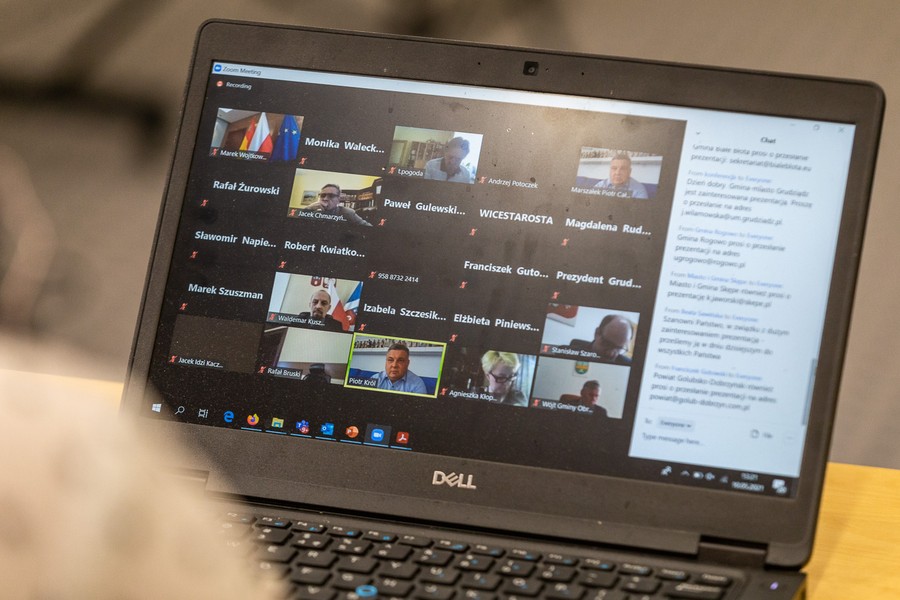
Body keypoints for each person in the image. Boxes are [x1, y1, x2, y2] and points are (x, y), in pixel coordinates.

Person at [568, 314, 634, 365]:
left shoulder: (628, 364)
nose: (611, 354)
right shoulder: (570, 354)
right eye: (607, 344)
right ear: (597, 333)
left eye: (619, 348)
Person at [301, 184, 372, 225]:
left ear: (338, 200)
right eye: (323, 195)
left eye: (331, 196)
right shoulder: (312, 212)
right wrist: (307, 209)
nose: (325, 199)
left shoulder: (348, 213)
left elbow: (368, 228)